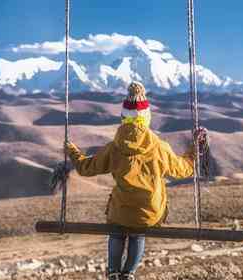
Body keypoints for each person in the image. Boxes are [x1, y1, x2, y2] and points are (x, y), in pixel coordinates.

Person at [65, 81, 201, 280]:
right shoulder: (159, 147)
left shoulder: (114, 148)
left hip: (121, 212)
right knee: (138, 232)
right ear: (146, 119)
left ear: (123, 119)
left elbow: (86, 168)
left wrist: (72, 151)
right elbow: (185, 169)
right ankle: (128, 274)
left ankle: (113, 272)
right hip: (150, 213)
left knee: (117, 230)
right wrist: (194, 150)